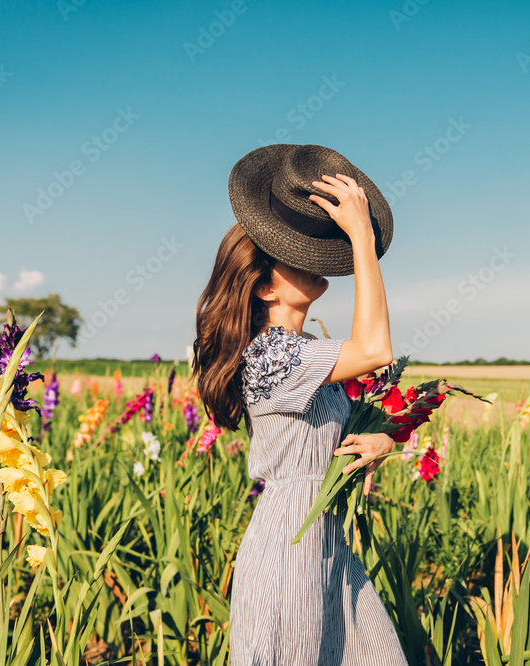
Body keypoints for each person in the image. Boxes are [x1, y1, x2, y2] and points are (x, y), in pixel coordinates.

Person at [192, 144, 409, 665]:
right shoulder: (269, 356)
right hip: (289, 546)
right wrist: (360, 236)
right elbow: (377, 349)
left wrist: (383, 441)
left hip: (328, 542)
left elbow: (347, 421)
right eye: (292, 255)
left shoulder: (310, 353)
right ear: (265, 287)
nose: (310, 260)